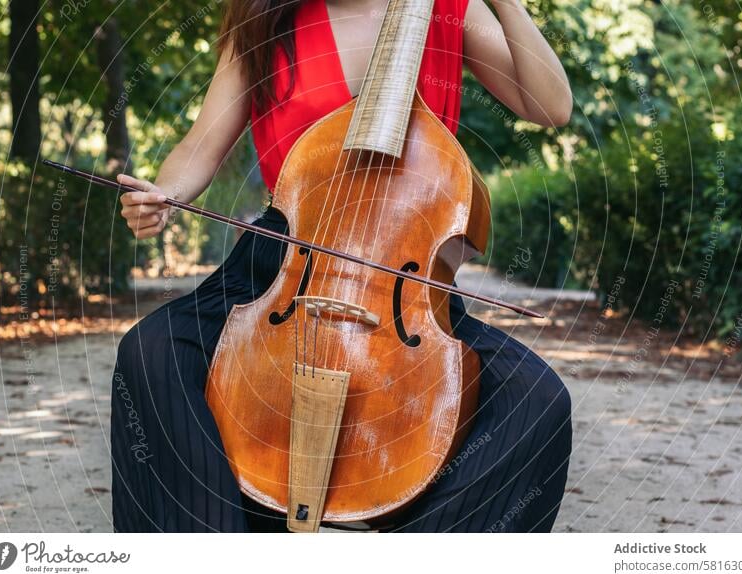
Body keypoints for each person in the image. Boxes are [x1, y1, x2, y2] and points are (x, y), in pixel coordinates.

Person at [111, 0, 573, 533]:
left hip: (403, 276)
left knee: (535, 401)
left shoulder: (452, 10)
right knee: (151, 353)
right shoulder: (267, 20)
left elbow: (550, 105)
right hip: (285, 261)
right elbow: (198, 147)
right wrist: (164, 194)